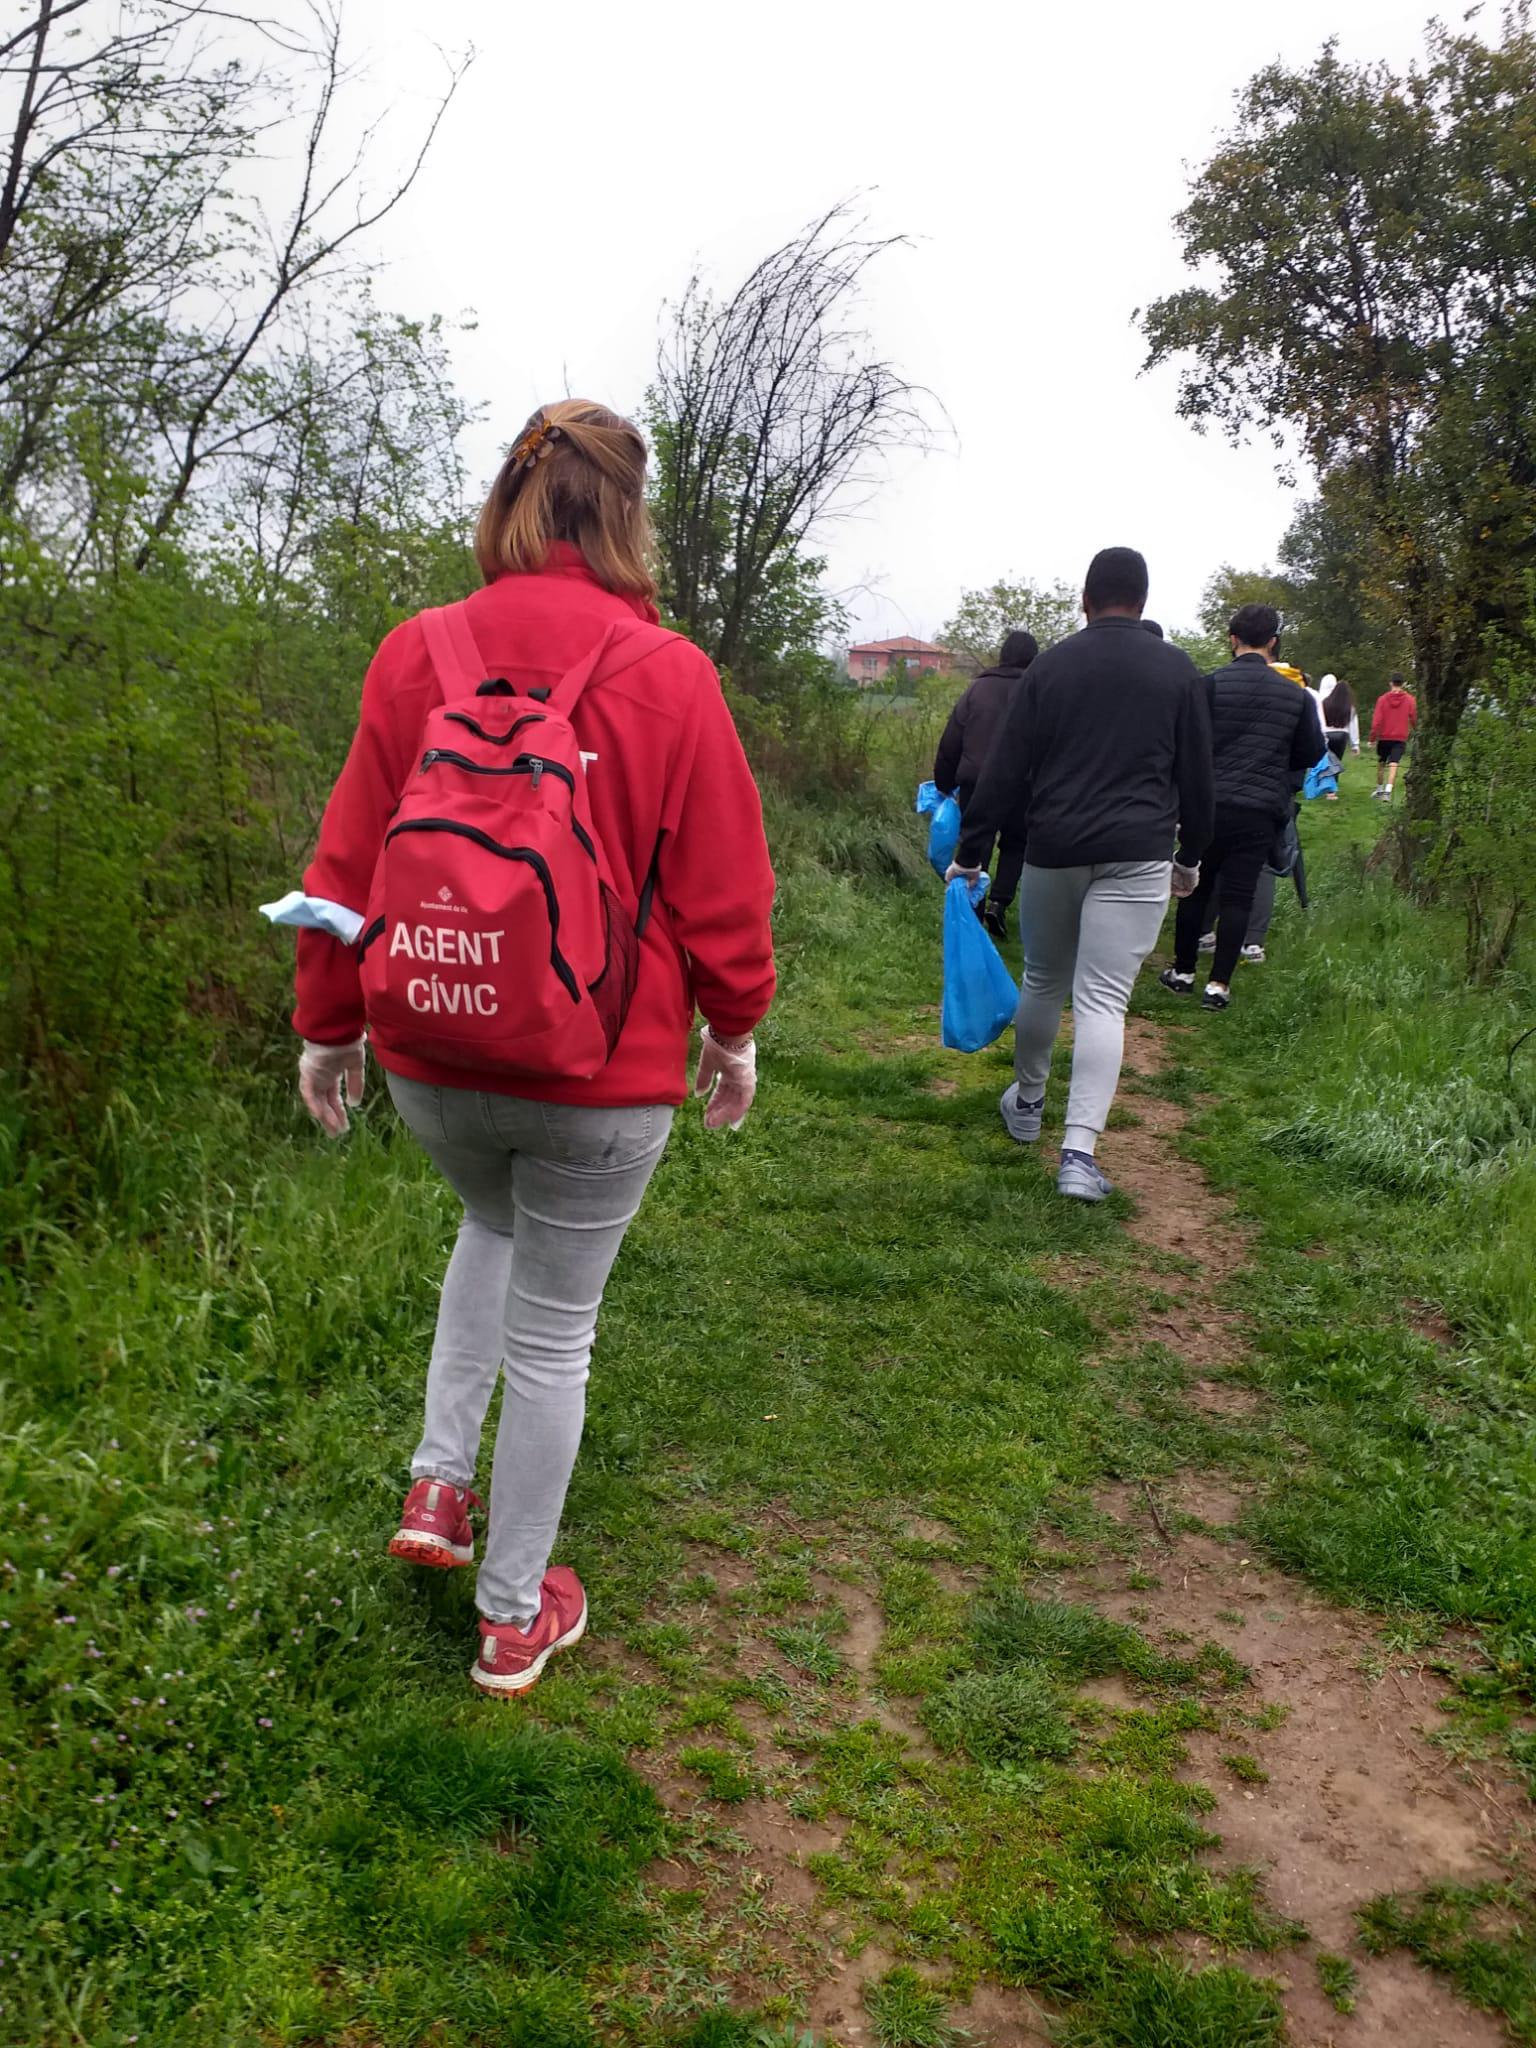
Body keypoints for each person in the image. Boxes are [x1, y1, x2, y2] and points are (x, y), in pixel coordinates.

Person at [287, 400, 776, 1696]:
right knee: (555, 1331)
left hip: (433, 1054)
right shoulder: (668, 674)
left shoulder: (417, 652)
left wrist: (328, 1029)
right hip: (600, 1074)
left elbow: (344, 865)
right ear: (624, 514)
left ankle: (440, 1489)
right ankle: (514, 1615)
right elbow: (725, 890)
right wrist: (735, 1032)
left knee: (489, 1229)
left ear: (511, 499)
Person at [950, 546, 1213, 1203]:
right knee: (1103, 1000)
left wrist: (973, 852)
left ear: (1085, 600)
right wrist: (1190, 857)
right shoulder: (1179, 672)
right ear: (1143, 602)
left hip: (1054, 846)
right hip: (1140, 851)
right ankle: (1078, 1156)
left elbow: (1006, 768)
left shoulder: (1050, 669)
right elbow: (1199, 780)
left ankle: (1028, 1103)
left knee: (1044, 978)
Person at [1161, 603, 1322, 1012]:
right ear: (1273, 641)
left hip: (1208, 804)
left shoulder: (1209, 685)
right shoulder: (1296, 696)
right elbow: (1311, 750)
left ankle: (1182, 971)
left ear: (1232, 639)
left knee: (1194, 888)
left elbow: (1188, 744)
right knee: (1238, 895)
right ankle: (1218, 985)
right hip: (1260, 807)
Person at [932, 629, 1039, 938]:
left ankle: (974, 909)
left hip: (976, 781)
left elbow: (951, 740)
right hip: (1023, 783)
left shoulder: (976, 690)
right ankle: (999, 903)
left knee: (977, 841)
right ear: (1034, 659)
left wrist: (944, 781)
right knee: (1015, 844)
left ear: (1003, 655)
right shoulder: (1038, 691)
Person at [1371, 673, 1418, 799]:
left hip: (1384, 736)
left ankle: (1379, 790)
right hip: (1400, 736)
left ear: (1391, 683)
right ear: (1402, 684)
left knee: (1381, 763)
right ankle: (1388, 791)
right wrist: (1416, 729)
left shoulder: (1382, 699)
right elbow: (1413, 718)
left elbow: (1376, 721)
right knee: (1394, 763)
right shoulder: (1410, 700)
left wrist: (1372, 737)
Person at [1318, 674, 1359, 797]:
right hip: (1342, 734)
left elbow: (1319, 720)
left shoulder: (1324, 702)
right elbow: (1353, 725)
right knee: (1336, 762)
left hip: (1326, 733)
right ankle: (1332, 791)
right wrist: (1355, 744)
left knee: (1325, 760)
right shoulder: (1349, 707)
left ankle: (1322, 784)